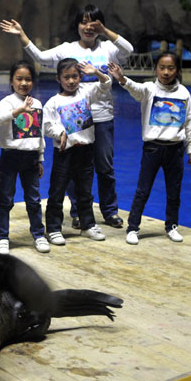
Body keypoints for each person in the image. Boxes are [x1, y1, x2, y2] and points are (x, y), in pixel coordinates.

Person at [1, 4, 133, 230]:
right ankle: (78, 211)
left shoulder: (108, 48)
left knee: (104, 166)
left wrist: (105, 30)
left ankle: (110, 211)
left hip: (101, 116)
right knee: (75, 168)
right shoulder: (67, 48)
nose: (88, 27)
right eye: (84, 22)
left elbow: (128, 50)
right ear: (77, 25)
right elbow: (41, 57)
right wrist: (22, 35)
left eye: (94, 23)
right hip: (74, 119)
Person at [107, 52, 191, 245]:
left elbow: (189, 122)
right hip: (153, 149)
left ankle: (172, 226)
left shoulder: (184, 93)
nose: (166, 72)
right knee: (143, 190)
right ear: (155, 69)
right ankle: (133, 227)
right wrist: (121, 78)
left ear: (177, 70)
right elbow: (134, 88)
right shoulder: (148, 89)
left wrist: (190, 148)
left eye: (170, 68)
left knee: (174, 191)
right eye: (162, 67)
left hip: (175, 149)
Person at [43, 58, 111, 245]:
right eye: (67, 77)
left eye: (74, 76)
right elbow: (47, 126)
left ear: (80, 76)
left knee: (85, 191)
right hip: (65, 153)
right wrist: (60, 132)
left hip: (86, 151)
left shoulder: (86, 92)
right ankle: (54, 228)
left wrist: (96, 72)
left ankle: (87, 225)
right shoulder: (53, 102)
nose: (71, 81)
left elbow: (106, 84)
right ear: (58, 79)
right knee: (57, 191)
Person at [0, 60, 49, 254]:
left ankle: (39, 234)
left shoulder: (38, 104)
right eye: (19, 79)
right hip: (10, 156)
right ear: (11, 81)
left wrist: (40, 157)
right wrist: (18, 111)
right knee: (5, 198)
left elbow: (39, 133)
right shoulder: (6, 103)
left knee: (33, 199)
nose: (24, 83)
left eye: (28, 79)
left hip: (31, 158)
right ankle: (1, 237)